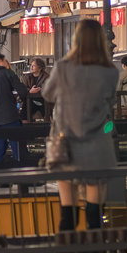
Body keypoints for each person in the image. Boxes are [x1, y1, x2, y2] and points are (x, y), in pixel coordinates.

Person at [43, 19, 119, 231]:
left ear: (75, 40)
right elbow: (110, 101)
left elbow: (47, 94)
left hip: (65, 145)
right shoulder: (110, 72)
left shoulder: (63, 68)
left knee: (68, 215)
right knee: (95, 215)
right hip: (98, 145)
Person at [0, 51, 30, 164]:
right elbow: (22, 91)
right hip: (11, 117)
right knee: (18, 151)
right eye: (3, 60)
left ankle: (0, 178)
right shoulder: (7, 73)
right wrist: (19, 100)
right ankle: (22, 178)